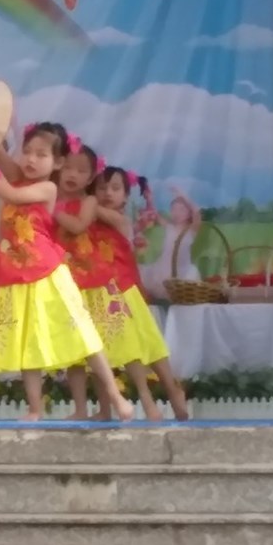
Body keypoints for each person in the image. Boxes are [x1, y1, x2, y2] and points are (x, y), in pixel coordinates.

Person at [0, 122, 133, 422]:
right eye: (27, 151)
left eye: (41, 154)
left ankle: (116, 397)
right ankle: (35, 409)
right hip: (16, 276)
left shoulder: (47, 188)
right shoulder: (19, 177)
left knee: (83, 333)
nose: (31, 159)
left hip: (47, 273)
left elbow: (10, 194)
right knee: (27, 343)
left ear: (58, 162)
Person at [89, 165, 190, 420]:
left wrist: (78, 201)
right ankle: (113, 407)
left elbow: (89, 210)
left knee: (147, 344)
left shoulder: (120, 220)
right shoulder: (88, 219)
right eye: (101, 188)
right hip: (99, 292)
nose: (107, 193)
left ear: (126, 196)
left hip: (123, 291)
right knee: (104, 349)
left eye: (115, 188)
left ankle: (169, 391)